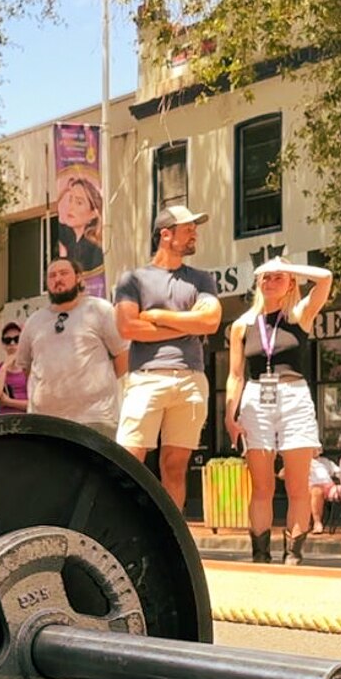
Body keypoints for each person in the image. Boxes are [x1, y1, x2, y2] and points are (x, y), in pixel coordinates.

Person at [222, 257, 336, 564]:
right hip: (256, 396)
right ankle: (260, 555)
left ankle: (293, 555)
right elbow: (235, 375)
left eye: (279, 278)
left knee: (298, 485)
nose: (271, 282)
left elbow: (325, 277)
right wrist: (230, 415)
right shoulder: (243, 325)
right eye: (266, 277)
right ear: (257, 282)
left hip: (293, 395)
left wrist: (288, 267)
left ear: (290, 282)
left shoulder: (299, 315)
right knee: (262, 486)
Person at [116, 205, 222, 510]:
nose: (194, 234)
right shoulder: (132, 279)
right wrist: (188, 325)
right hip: (146, 378)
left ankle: (173, 534)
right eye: (188, 229)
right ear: (166, 234)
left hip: (191, 378)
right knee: (128, 460)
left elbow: (210, 322)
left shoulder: (202, 279)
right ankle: (122, 526)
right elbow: (128, 327)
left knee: (175, 466)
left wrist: (159, 316)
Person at [13, 257, 127, 436]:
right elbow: (26, 367)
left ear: (78, 277)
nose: (58, 279)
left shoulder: (100, 310)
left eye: (64, 273)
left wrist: (95, 384)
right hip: (44, 421)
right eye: (52, 276)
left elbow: (123, 356)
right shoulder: (34, 321)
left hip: (95, 417)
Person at [51, 173, 105, 277]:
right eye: (70, 199)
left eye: (79, 202)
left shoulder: (94, 247)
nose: (71, 207)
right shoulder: (70, 236)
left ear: (93, 214)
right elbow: (58, 204)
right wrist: (66, 189)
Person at [0, 322, 29, 414]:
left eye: (17, 339)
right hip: (4, 419)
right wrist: (4, 367)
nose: (12, 343)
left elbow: (34, 404)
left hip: (26, 418)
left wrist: (9, 402)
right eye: (8, 340)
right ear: (3, 344)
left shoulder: (28, 368)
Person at [306, 450, 340, 535]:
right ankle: (317, 523)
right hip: (312, 487)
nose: (317, 450)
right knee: (317, 492)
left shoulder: (325, 461)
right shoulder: (304, 461)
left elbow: (338, 472)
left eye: (318, 448)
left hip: (329, 486)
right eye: (314, 448)